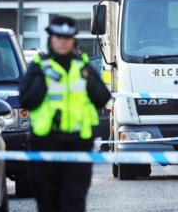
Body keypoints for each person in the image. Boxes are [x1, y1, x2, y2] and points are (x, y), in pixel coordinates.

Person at [19, 16, 111, 212]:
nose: (63, 42)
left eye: (67, 38)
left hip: (78, 145)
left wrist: (88, 80)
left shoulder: (82, 67)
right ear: (50, 39)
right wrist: (44, 79)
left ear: (73, 40)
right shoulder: (39, 67)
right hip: (46, 144)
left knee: (74, 202)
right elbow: (27, 100)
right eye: (58, 37)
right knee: (48, 202)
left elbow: (102, 98)